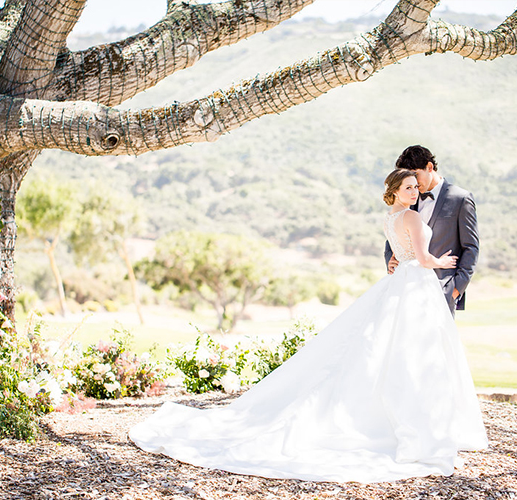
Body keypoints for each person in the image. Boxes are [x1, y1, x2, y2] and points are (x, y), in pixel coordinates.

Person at [129, 168, 487, 484]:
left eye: (415, 188)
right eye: (408, 188)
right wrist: (441, 261)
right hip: (416, 285)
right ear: (395, 191)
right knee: (414, 353)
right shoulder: (409, 217)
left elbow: (398, 254)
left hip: (402, 284)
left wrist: (407, 259)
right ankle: (419, 424)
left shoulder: (391, 218)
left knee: (393, 348)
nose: (414, 193)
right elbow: (422, 259)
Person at [385, 145, 479, 316]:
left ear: (429, 167)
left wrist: (455, 289)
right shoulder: (408, 198)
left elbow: (471, 247)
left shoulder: (460, 199)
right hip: (405, 290)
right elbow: (393, 237)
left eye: (415, 175)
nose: (412, 183)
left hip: (442, 291)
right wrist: (391, 262)